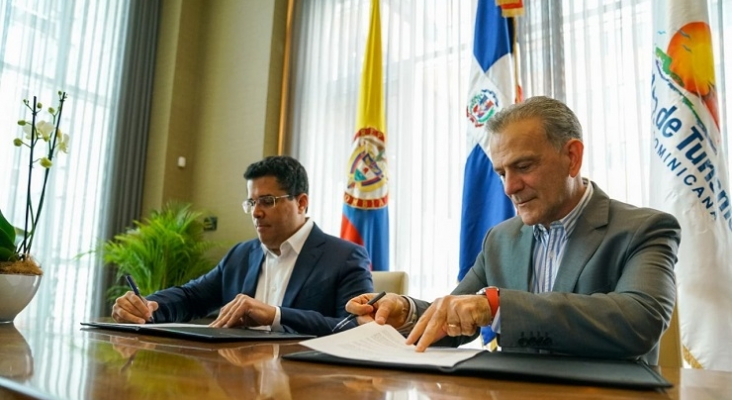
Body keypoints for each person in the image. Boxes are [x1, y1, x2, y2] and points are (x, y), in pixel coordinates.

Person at [346, 96, 680, 364]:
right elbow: (456, 320)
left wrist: (497, 305)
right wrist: (405, 311)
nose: (509, 188)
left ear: (572, 157)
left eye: (523, 167)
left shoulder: (644, 229)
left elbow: (640, 322)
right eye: (501, 172)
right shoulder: (500, 239)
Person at [112, 155, 373, 336]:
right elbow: (192, 297)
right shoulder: (241, 254)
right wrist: (146, 306)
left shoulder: (345, 257)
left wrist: (275, 315)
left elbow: (354, 327)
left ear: (302, 203)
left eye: (267, 201)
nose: (256, 213)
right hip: (239, 377)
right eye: (251, 203)